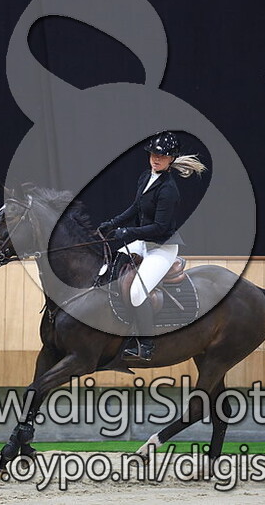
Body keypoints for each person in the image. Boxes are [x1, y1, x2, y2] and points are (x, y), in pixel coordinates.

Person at [98, 131, 207, 361]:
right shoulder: (145, 177)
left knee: (137, 292)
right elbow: (136, 208)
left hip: (162, 248)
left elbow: (159, 227)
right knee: (109, 265)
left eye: (162, 156)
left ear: (171, 159)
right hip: (144, 243)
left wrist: (127, 232)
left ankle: (146, 345)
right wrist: (113, 223)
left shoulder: (168, 190)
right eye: (153, 154)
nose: (156, 159)